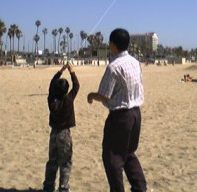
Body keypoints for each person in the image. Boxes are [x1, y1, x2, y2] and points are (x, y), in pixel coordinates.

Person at [87, 28, 147, 192]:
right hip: (136, 114)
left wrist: (91, 95)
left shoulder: (113, 67)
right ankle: (140, 187)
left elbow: (104, 95)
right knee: (128, 154)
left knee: (112, 158)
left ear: (113, 45)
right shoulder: (135, 62)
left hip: (121, 117)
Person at [43, 62, 79, 192]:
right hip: (65, 133)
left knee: (52, 161)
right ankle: (63, 188)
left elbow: (52, 85)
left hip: (54, 133)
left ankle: (48, 186)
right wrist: (72, 71)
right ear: (65, 91)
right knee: (65, 162)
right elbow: (76, 86)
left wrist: (61, 71)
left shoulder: (52, 100)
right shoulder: (68, 100)